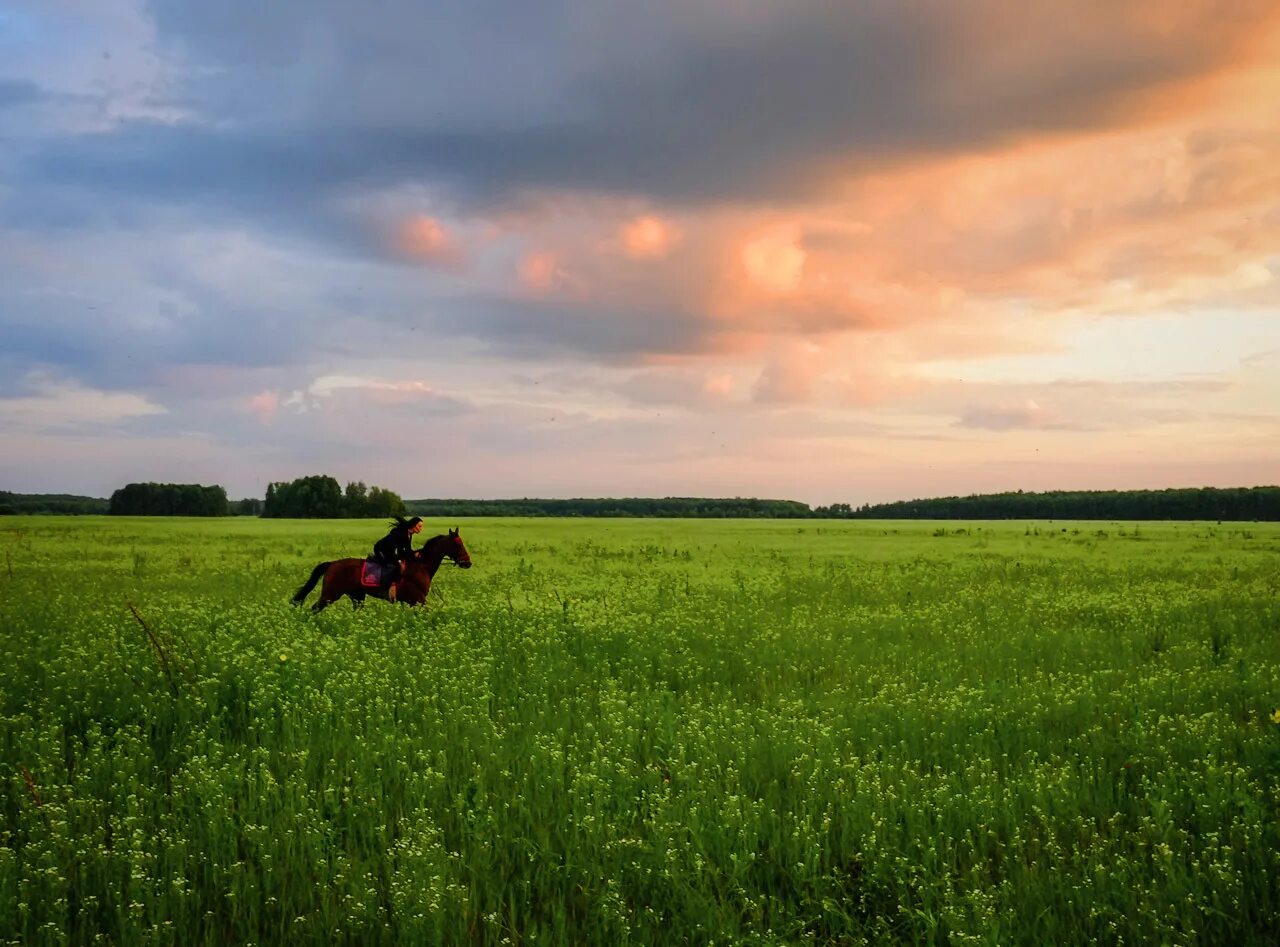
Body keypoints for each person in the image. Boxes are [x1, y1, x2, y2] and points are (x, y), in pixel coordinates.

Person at [371, 516, 423, 589]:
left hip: (390, 551)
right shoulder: (401, 534)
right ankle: (383, 586)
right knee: (392, 566)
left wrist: (416, 553)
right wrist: (399, 561)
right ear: (413, 525)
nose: (421, 529)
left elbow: (407, 550)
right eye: (419, 526)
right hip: (381, 550)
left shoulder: (409, 534)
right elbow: (400, 552)